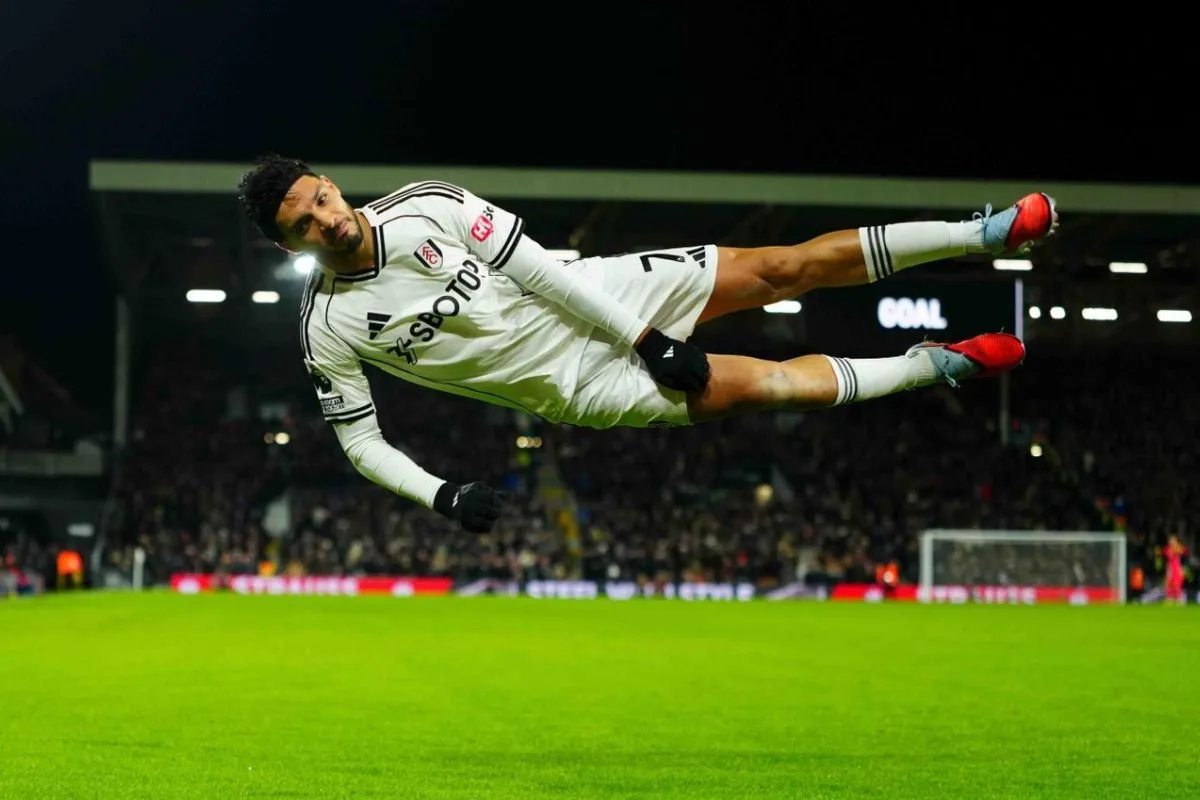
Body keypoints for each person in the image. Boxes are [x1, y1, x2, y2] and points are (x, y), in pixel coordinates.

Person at [237, 155, 1057, 534]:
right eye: (302, 225)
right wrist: (440, 494)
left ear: (330, 185)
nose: (324, 221)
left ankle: (981, 233)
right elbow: (361, 444)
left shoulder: (429, 206)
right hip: (578, 386)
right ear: (289, 246)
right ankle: (935, 364)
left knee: (781, 268)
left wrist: (648, 335)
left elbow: (538, 269)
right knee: (774, 387)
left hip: (604, 296)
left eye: (320, 200)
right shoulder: (328, 325)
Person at [1162, 535, 1188, 605]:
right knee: (1169, 588)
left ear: (1176, 541)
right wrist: (1168, 572)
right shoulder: (1167, 549)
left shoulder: (1179, 548)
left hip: (1177, 571)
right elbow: (1167, 561)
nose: (1171, 542)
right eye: (1170, 540)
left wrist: (1182, 571)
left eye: (1173, 540)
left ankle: (1179, 601)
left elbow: (1184, 553)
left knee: (1177, 588)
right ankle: (1170, 601)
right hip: (1171, 570)